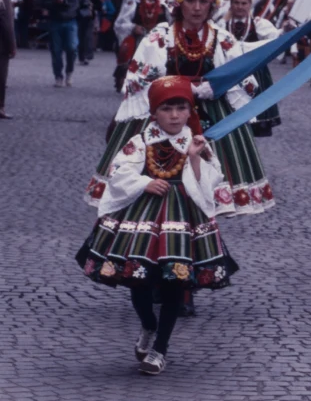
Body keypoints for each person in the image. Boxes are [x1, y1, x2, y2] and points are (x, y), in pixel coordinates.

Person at [75, 76, 238, 375]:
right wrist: (144, 182)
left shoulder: (197, 143)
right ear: (154, 113)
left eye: (181, 108)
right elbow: (119, 171)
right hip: (143, 215)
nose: (174, 116)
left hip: (183, 217)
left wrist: (194, 159)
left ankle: (160, 347)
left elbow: (210, 181)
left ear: (190, 111)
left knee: (175, 279)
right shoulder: (140, 141)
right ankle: (149, 324)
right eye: (166, 109)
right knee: (138, 276)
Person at [87, 0, 274, 217]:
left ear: (211, 5)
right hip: (166, 112)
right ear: (179, 3)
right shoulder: (160, 37)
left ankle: (205, 213)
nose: (197, 8)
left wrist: (217, 86)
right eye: (191, 1)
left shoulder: (222, 39)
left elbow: (243, 77)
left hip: (211, 113)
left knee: (212, 169)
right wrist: (177, 87)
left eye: (203, 2)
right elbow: (141, 78)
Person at [224, 0, 283, 135]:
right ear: (231, 4)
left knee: (253, 109)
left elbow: (275, 39)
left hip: (255, 72)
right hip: (230, 72)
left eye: (244, 3)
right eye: (236, 3)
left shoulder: (258, 24)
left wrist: (285, 30)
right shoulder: (222, 24)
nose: (240, 6)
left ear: (250, 5)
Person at [39, 0, 90, 87]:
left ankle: (69, 72)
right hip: (56, 21)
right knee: (56, 51)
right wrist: (54, 3)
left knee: (72, 48)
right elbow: (41, 2)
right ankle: (58, 76)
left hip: (71, 20)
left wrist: (86, 7)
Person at [114, 0, 168, 92]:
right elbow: (120, 23)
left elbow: (173, 21)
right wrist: (133, 27)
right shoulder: (134, 3)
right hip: (139, 42)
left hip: (158, 43)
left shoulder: (164, 4)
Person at [0, 0, 14, 119]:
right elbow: (7, 24)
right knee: (1, 76)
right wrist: (12, 46)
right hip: (1, 45)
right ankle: (0, 107)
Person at [78, 0, 97, 64]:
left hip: (90, 18)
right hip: (81, 19)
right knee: (81, 38)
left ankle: (88, 55)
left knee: (88, 37)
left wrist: (92, 6)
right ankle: (81, 57)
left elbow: (99, 6)